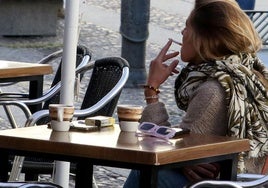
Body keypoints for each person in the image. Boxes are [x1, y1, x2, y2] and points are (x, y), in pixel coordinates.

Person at [123, 0, 268, 187]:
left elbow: (166, 150)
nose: (182, 33)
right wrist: (184, 156)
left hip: (218, 184)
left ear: (203, 39)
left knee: (144, 174)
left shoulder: (214, 89)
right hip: (248, 182)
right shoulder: (247, 74)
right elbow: (185, 147)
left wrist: (152, 89)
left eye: (187, 28)